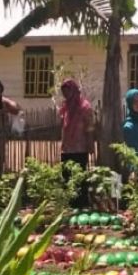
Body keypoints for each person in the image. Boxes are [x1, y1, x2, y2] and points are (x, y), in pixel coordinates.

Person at [59, 79, 95, 207]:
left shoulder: (84, 107)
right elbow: (64, 127)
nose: (65, 94)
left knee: (80, 176)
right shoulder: (65, 107)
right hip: (67, 148)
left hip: (80, 147)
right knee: (67, 175)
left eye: (67, 91)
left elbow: (90, 127)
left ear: (73, 90)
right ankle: (69, 203)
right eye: (63, 92)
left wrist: (90, 144)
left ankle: (81, 204)